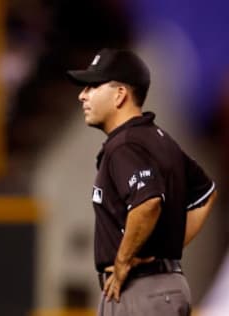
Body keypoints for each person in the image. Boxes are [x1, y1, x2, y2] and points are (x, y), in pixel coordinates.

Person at [66, 48, 217, 316]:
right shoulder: (160, 139)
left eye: (92, 86)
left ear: (120, 94)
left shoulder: (124, 144)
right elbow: (206, 195)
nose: (82, 95)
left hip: (141, 289)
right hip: (164, 286)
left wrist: (124, 261)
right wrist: (163, 248)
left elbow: (147, 202)